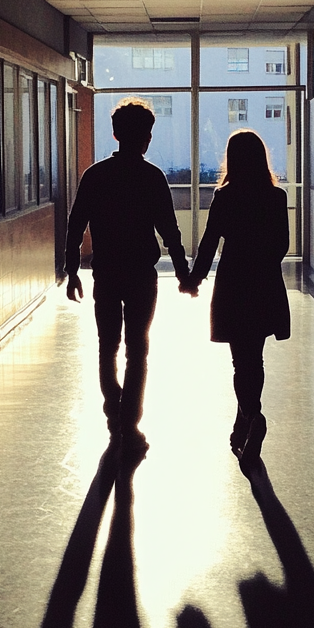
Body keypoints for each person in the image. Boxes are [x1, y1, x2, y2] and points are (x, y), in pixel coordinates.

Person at [65, 98, 190, 451]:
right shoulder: (152, 177)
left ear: (115, 133)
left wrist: (71, 269)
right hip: (140, 276)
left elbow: (76, 226)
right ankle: (130, 423)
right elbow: (170, 230)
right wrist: (183, 273)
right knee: (138, 350)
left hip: (105, 273)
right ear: (147, 137)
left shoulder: (96, 175)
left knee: (109, 346)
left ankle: (113, 414)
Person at [181, 129, 290, 464]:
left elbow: (211, 241)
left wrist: (194, 279)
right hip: (265, 283)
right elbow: (283, 245)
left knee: (239, 360)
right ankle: (245, 420)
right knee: (254, 359)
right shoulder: (276, 197)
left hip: (233, 283)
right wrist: (264, 265)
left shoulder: (225, 196)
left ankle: (252, 417)